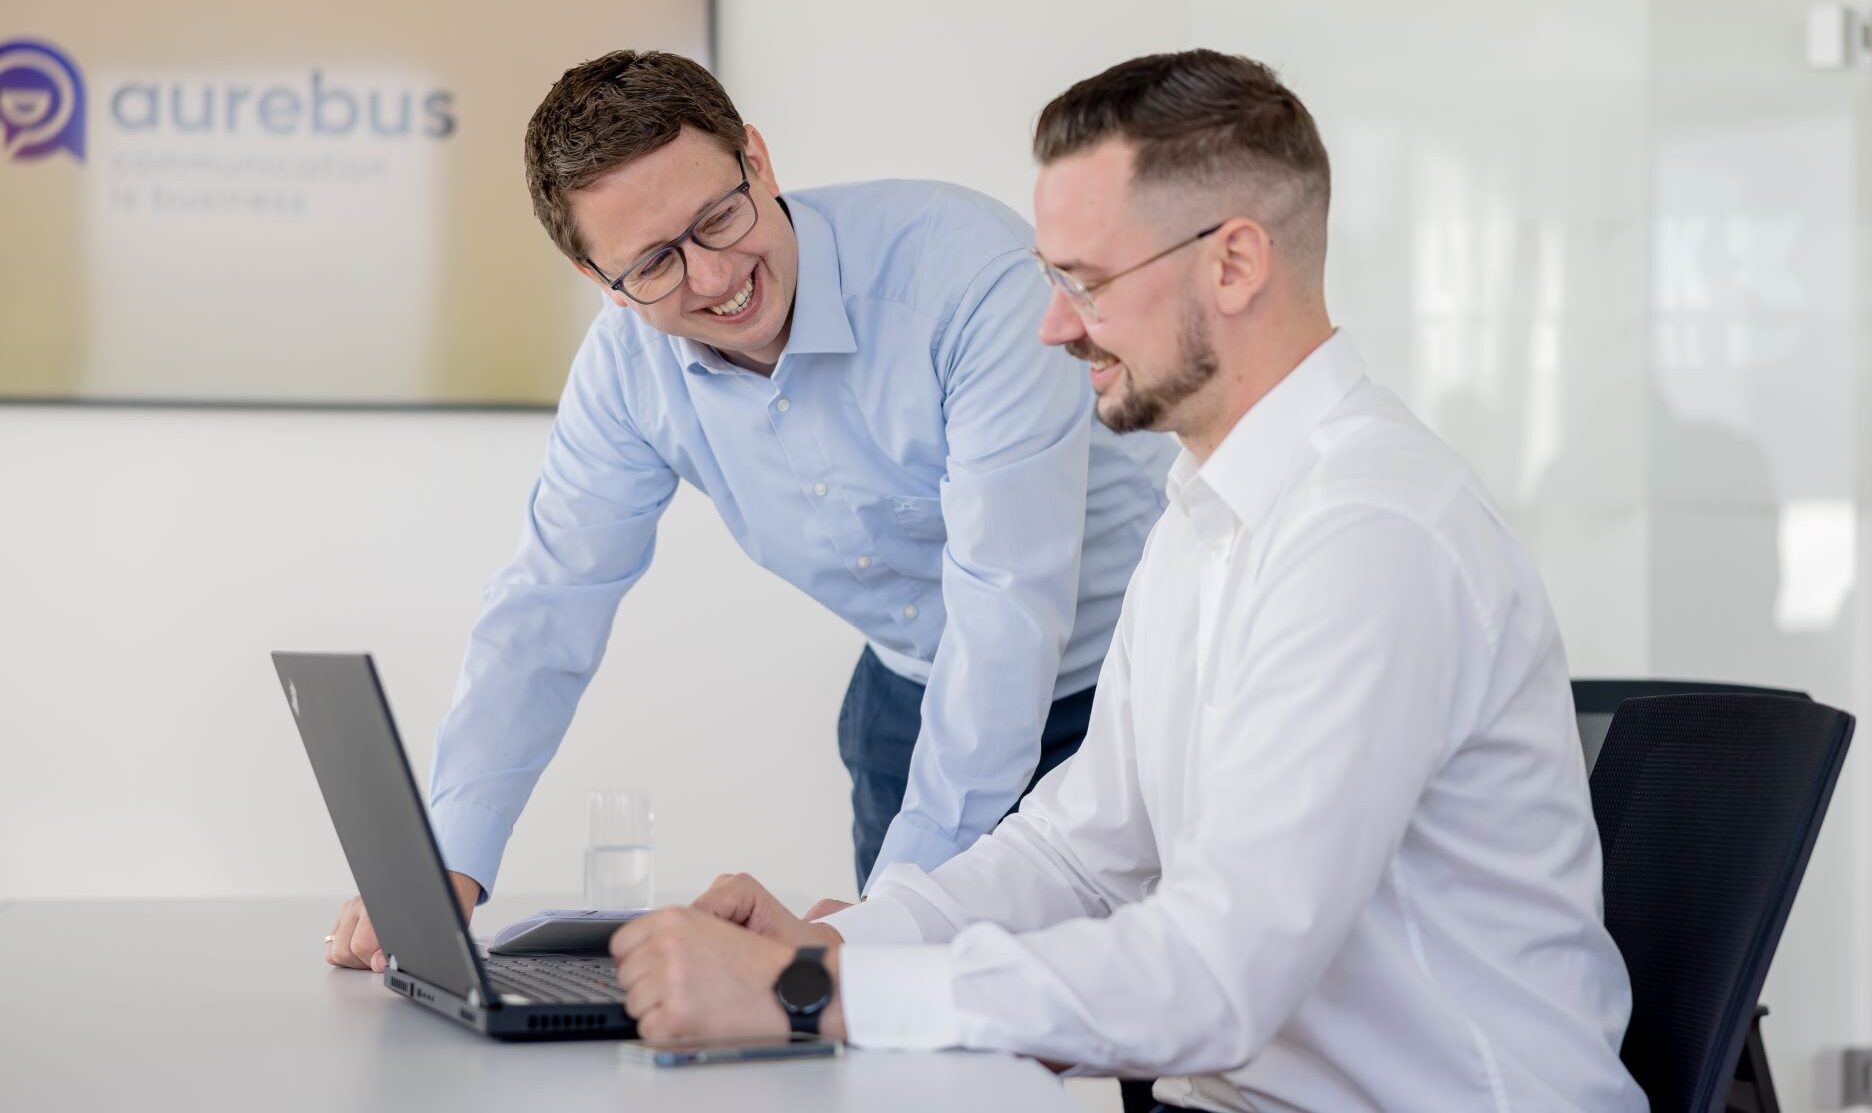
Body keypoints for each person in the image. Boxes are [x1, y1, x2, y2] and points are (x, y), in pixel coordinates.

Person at [604, 50, 1650, 1113]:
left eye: (1085, 284)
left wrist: (806, 992)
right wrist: (835, 937)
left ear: (1233, 265)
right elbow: (1080, 854)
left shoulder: (1368, 539)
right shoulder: (1207, 516)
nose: (1053, 327)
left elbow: (1213, 977)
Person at [323, 51, 1173, 971]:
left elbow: (1006, 611)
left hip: (1118, 692)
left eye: (718, 217)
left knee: (1130, 1025)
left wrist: (881, 918)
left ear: (758, 161)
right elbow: (547, 603)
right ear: (596, 277)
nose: (713, 275)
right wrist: (446, 862)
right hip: (907, 701)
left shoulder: (969, 277)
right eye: (652, 262)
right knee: (913, 1058)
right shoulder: (626, 370)